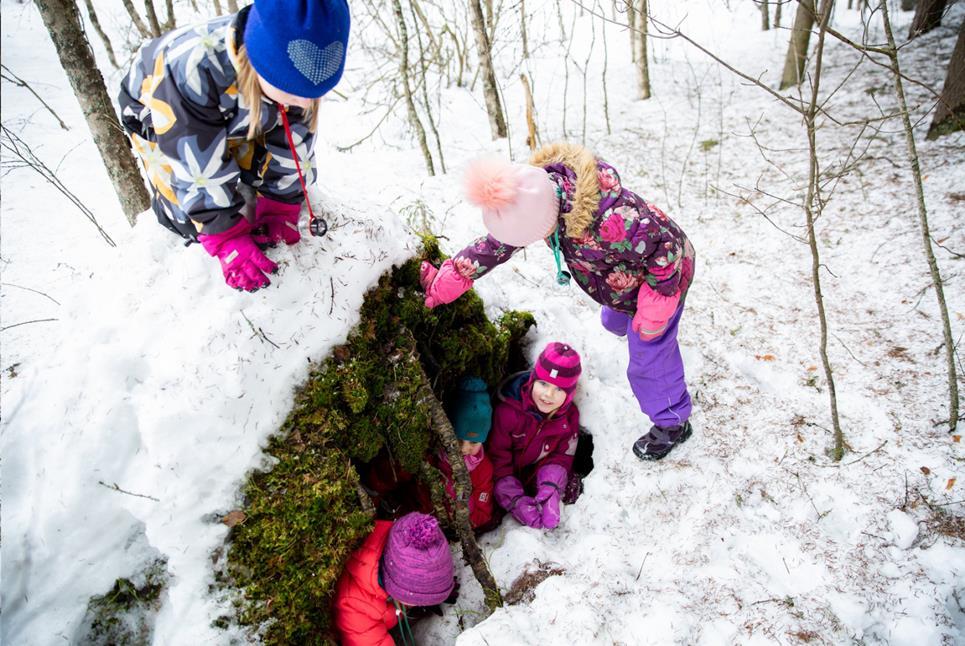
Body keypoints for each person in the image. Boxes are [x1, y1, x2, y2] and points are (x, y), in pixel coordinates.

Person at [420, 142, 696, 461]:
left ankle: (672, 422)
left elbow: (666, 248)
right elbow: (498, 244)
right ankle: (637, 323)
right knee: (613, 321)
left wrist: (658, 303)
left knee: (648, 352)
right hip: (626, 280)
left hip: (665, 278)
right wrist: (453, 276)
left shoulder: (611, 218)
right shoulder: (534, 198)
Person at [117, 0, 350, 291]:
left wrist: (282, 202)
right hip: (161, 113)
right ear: (260, 62)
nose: (305, 102)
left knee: (261, 159)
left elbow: (294, 138)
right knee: (191, 214)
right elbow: (194, 164)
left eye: (316, 94)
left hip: (247, 99)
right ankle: (183, 220)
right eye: (294, 92)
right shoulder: (191, 71)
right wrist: (225, 235)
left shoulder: (296, 79)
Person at [487, 342, 582, 530]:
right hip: (503, 478)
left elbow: (562, 456)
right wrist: (513, 497)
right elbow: (497, 457)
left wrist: (551, 487)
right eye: (543, 383)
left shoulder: (568, 419)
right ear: (533, 380)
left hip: (535, 474)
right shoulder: (508, 412)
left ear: (570, 393)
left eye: (559, 389)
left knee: (572, 488)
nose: (548, 395)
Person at [332, 512, 455, 646]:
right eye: (417, 599)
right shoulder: (354, 607)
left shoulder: (397, 552)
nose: (420, 603)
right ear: (395, 585)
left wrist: (430, 595)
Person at [433, 377, 495, 531]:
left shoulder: (483, 469)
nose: (464, 449)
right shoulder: (434, 457)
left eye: (473, 442)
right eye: (459, 440)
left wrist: (464, 519)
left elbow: (484, 513)